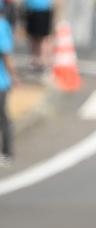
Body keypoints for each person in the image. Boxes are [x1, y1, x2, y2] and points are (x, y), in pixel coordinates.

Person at [0, 1, 17, 166]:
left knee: (3, 117)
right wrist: (14, 76)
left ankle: (7, 151)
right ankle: (7, 152)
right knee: (4, 118)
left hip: (1, 81)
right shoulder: (3, 25)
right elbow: (6, 55)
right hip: (2, 81)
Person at [23, 0, 53, 71]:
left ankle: (43, 61)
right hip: (31, 9)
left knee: (43, 37)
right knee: (32, 37)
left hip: (43, 9)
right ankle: (34, 60)